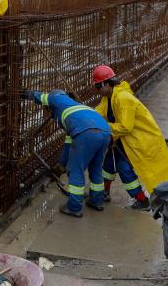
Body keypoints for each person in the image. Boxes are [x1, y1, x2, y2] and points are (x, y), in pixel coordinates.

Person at [91, 66, 168, 208]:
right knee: (108, 164)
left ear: (106, 84)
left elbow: (125, 127)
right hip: (123, 138)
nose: (97, 91)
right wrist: (85, 116)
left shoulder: (123, 98)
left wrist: (105, 128)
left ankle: (142, 200)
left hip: (139, 139)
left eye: (97, 87)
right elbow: (98, 113)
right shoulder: (109, 97)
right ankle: (104, 192)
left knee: (123, 167)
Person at [21, 89, 110, 217]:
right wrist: (61, 164)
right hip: (105, 132)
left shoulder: (57, 98)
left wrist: (26, 94)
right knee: (96, 168)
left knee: (76, 170)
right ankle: (97, 201)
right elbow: (69, 145)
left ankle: (74, 207)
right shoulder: (77, 109)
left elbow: (43, 97)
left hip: (86, 133)